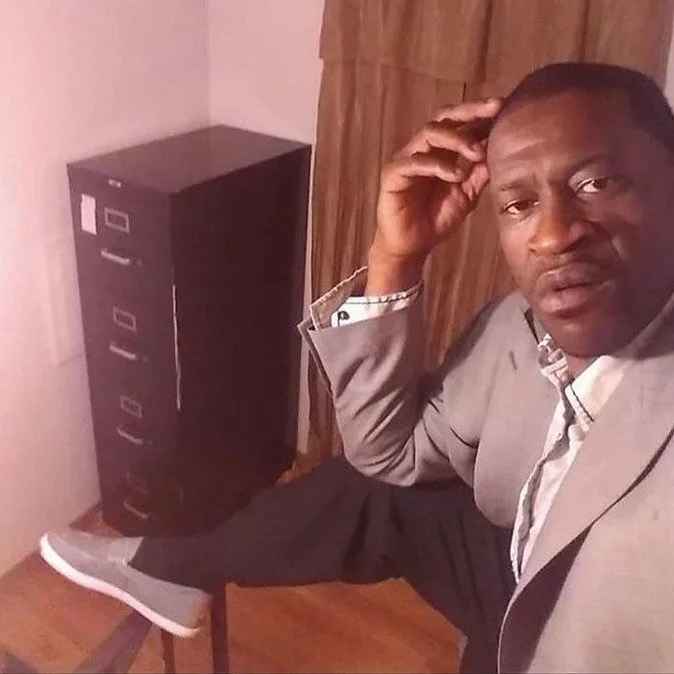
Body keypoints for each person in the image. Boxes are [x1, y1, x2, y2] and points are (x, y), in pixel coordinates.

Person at [40, 61, 674, 672]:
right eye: (518, 204)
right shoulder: (515, 327)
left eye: (597, 183)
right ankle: (177, 567)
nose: (553, 234)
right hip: (517, 567)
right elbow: (387, 456)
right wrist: (396, 256)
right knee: (380, 495)